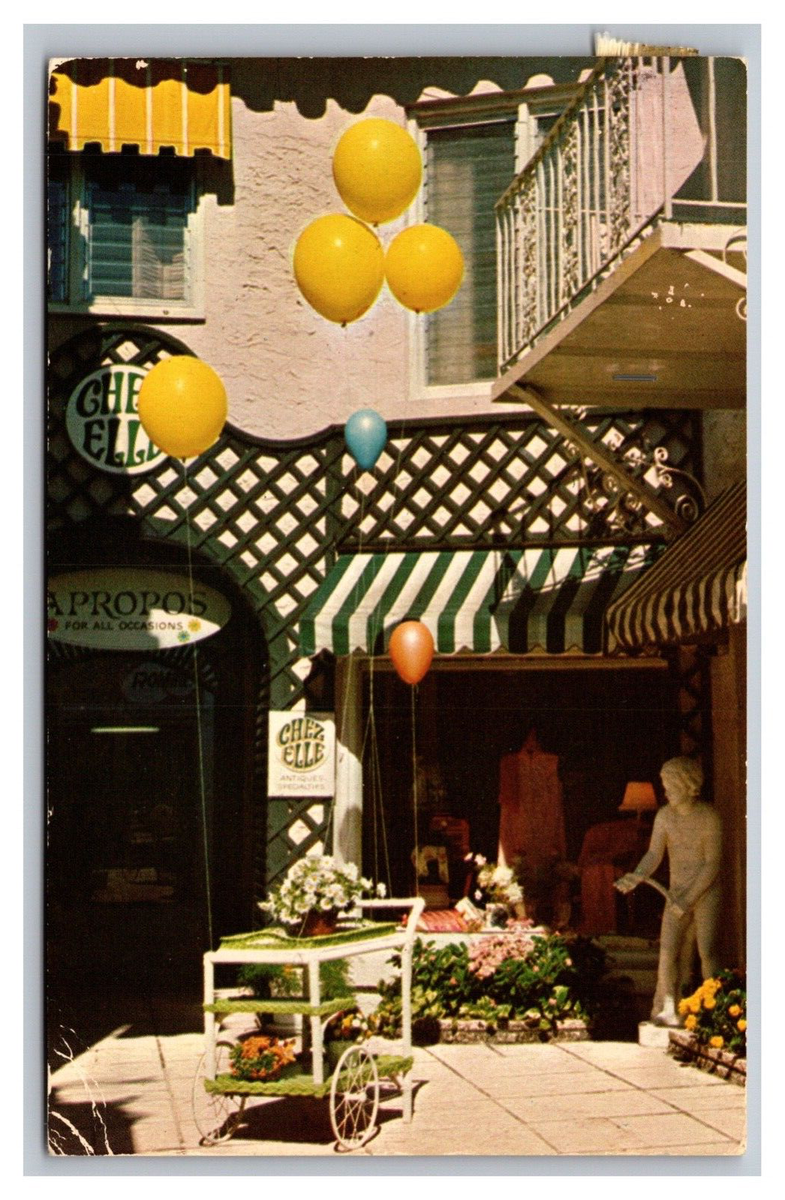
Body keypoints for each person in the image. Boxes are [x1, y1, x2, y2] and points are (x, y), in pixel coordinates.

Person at [615, 756, 722, 1026]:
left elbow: (712, 865)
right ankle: (667, 1006)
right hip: (675, 892)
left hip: (705, 891)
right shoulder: (664, 817)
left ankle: (719, 1009)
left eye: (669, 786)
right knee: (668, 950)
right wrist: (637, 875)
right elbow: (653, 854)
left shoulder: (709, 817)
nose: (665, 791)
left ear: (687, 785)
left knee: (706, 950)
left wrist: (688, 899)